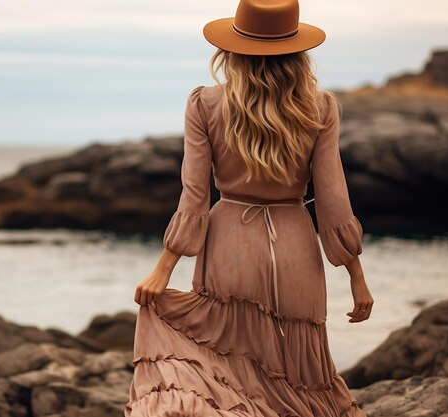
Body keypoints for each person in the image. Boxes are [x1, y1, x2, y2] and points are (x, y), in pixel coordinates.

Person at [124, 0, 374, 416]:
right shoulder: (321, 106)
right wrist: (357, 277)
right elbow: (334, 202)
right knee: (301, 378)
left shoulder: (204, 103)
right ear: (297, 51)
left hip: (230, 244)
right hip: (296, 245)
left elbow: (194, 197)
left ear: (233, 48)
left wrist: (163, 269)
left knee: (228, 372)